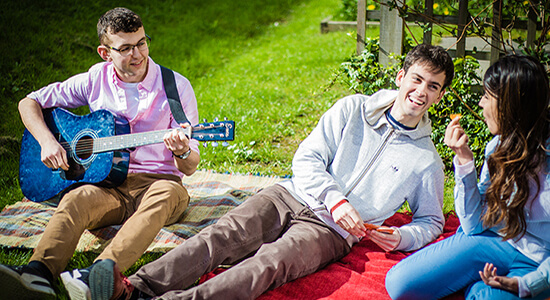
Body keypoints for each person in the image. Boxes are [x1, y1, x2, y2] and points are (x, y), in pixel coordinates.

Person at [72, 44, 454, 300]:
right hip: (290, 194)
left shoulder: (426, 160)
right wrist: (335, 199)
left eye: (433, 86)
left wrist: (402, 236)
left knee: (269, 265)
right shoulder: (352, 108)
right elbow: (307, 159)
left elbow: (431, 221)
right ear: (401, 76)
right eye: (417, 79)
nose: (421, 91)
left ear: (439, 96)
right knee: (219, 237)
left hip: (331, 232)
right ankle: (133, 289)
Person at [0, 7, 200, 300]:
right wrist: (47, 142)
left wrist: (182, 151)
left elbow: (192, 166)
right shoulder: (95, 79)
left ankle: (100, 273)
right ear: (105, 53)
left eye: (142, 42)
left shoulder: (175, 87)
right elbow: (28, 103)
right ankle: (37, 274)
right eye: (126, 48)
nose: (138, 54)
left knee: (165, 196)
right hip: (108, 182)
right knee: (75, 198)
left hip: (160, 183)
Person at [385, 55, 550, 299]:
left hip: (538, 263)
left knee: (485, 296)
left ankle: (477, 287)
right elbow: (473, 224)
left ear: (510, 103)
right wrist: (463, 160)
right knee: (400, 284)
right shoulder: (498, 147)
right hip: (490, 242)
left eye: (487, 96)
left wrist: (528, 284)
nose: (481, 104)